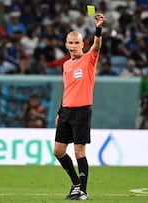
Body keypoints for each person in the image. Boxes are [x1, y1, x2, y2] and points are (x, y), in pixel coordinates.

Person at [53, 13, 106, 201]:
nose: (74, 45)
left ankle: (83, 191)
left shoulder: (89, 58)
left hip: (82, 112)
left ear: (83, 44)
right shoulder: (66, 65)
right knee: (58, 151)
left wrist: (98, 28)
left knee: (79, 152)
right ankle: (76, 183)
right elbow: (67, 89)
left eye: (77, 43)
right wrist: (60, 111)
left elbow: (97, 45)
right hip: (66, 112)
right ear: (66, 45)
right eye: (71, 43)